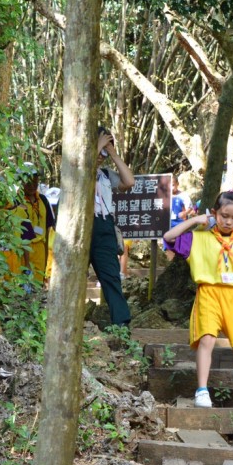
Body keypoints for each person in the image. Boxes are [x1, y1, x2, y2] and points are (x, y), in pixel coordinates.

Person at [163, 191, 233, 408]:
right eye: (224, 215)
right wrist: (195, 220)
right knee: (207, 339)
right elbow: (169, 237)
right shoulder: (199, 238)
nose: (228, 221)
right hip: (208, 292)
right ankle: (202, 389)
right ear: (215, 213)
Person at [92, 126, 134, 327]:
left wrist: (113, 152)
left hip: (105, 228)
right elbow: (84, 170)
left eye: (103, 152)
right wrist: (96, 147)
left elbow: (129, 181)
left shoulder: (106, 175)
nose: (100, 155)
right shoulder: (77, 168)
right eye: (98, 149)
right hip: (82, 226)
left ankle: (121, 325)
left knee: (111, 276)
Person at [8, 162, 55, 282]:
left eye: (35, 182)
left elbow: (49, 229)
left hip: (40, 249)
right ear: (21, 182)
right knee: (23, 286)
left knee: (38, 285)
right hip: (23, 250)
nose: (32, 185)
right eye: (28, 182)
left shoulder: (43, 200)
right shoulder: (15, 202)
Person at [163, 173, 194, 262]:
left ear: (177, 184)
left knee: (179, 243)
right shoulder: (164, 195)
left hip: (180, 224)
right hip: (168, 225)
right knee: (167, 245)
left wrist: (184, 213)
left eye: (173, 185)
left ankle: (180, 261)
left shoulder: (183, 195)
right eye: (169, 185)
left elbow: (190, 207)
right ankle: (171, 263)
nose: (172, 188)